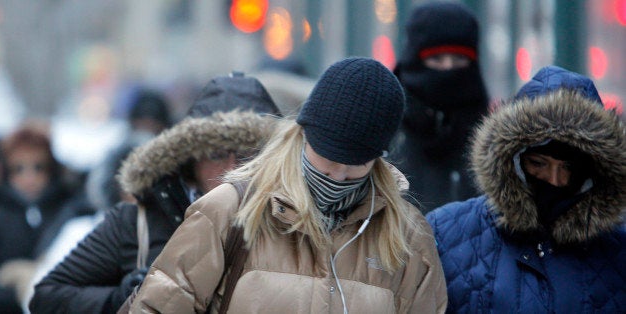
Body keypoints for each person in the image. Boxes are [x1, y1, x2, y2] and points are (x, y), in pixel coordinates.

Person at [129, 57, 447, 313]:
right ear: (303, 134)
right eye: (328, 156)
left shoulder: (408, 236)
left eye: (355, 163)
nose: (337, 174)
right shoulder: (229, 210)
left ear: (379, 158)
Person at [28, 72, 281, 314]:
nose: (231, 168)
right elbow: (46, 297)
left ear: (273, 159)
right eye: (215, 154)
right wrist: (124, 295)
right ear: (190, 161)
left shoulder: (300, 226)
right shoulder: (136, 224)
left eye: (248, 154)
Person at [425, 66, 626, 312]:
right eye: (538, 164)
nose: (554, 180)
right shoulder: (447, 232)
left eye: (568, 168)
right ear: (513, 160)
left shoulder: (617, 252)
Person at [389, 1, 490, 212]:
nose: (448, 67)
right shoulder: (384, 127)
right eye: (436, 58)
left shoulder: (491, 136)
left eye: (459, 58)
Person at [0, 122, 91, 314]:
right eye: (18, 169)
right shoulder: (2, 212)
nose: (29, 177)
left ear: (51, 168)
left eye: (38, 167)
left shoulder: (70, 208)